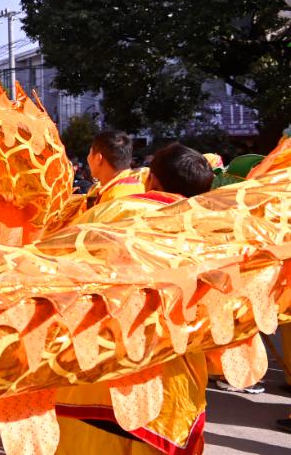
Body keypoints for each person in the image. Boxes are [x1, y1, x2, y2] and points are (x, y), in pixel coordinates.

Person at [57, 142, 213, 455]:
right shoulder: (213, 229)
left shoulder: (111, 213)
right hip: (174, 377)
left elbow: (59, 272)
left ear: (151, 179)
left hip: (102, 369)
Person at [84, 131, 148, 208]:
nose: (88, 158)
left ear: (98, 159)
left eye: (90, 153)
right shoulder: (140, 186)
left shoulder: (113, 200)